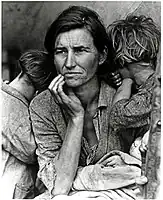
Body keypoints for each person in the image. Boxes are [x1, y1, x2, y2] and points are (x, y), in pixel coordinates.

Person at [29, 6, 149, 199]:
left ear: (101, 56)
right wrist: (76, 119)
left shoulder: (124, 99)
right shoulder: (43, 106)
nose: (69, 63)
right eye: (61, 51)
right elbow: (59, 186)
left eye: (80, 50)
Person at [1, 50, 56, 199]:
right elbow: (32, 152)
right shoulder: (11, 107)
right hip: (9, 189)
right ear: (40, 90)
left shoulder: (5, 93)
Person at [107, 15, 160, 155]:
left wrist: (126, 82)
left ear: (121, 60)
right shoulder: (151, 84)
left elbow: (117, 116)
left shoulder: (153, 91)